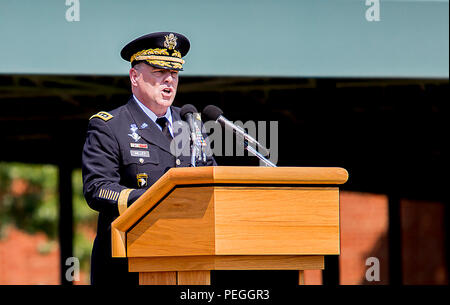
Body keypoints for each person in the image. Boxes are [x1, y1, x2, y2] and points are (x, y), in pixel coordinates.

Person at [82, 32, 216, 285]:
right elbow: (97, 189)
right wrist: (155, 199)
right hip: (129, 263)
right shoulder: (110, 126)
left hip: (189, 259)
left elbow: (210, 177)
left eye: (174, 74)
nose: (169, 80)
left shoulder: (191, 122)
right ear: (134, 77)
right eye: (158, 71)